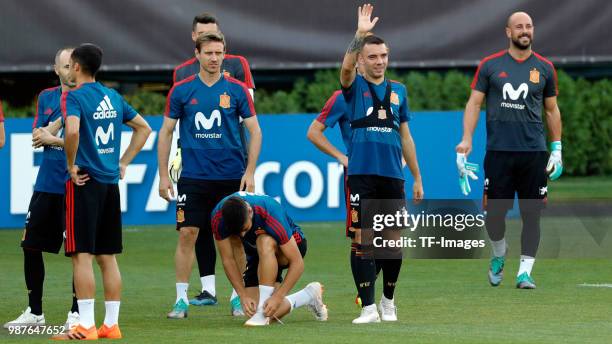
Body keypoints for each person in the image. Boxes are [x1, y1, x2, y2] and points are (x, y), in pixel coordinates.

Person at [158, 31, 262, 319]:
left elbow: (255, 131)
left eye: (219, 53)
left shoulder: (237, 90)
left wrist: (250, 171)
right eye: (209, 53)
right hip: (193, 176)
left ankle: (237, 298)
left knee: (237, 239)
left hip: (231, 176)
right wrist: (163, 176)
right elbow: (166, 132)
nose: (214, 58)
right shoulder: (181, 90)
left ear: (224, 54)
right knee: (187, 234)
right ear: (197, 55)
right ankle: (180, 300)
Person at [455, 12, 562, 289]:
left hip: (534, 154)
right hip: (499, 152)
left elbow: (551, 110)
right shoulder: (490, 66)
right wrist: (467, 138)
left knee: (532, 214)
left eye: (528, 26)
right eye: (519, 27)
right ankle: (499, 253)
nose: (524, 31)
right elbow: (473, 104)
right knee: (494, 217)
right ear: (508, 32)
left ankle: (524, 272)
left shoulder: (546, 68)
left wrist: (557, 148)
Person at [53, 43, 151, 340]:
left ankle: (85, 326)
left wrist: (71, 165)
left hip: (85, 181)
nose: (68, 70)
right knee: (107, 256)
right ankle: (111, 324)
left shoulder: (73, 97)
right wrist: (122, 162)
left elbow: (71, 131)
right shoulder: (113, 96)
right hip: (109, 183)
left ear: (77, 68)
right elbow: (144, 128)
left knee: (81, 255)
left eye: (69, 66)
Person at [340, 4, 424, 324]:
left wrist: (416, 176)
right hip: (361, 174)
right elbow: (345, 70)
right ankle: (368, 308)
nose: (379, 62)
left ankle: (389, 301)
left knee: (391, 242)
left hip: (392, 174)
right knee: (362, 240)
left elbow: (407, 137)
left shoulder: (399, 91)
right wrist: (359, 35)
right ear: (363, 59)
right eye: (373, 56)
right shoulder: (354, 86)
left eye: (384, 56)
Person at [3, 47, 80, 331]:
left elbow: (84, 140)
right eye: (65, 66)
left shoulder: (90, 97)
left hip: (76, 184)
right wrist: (52, 127)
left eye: (75, 65)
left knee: (77, 251)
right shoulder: (47, 97)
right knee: (30, 245)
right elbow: (37, 136)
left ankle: (76, 313)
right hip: (47, 183)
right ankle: (35, 312)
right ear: (56, 69)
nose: (71, 70)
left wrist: (53, 135)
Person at [212, 192, 327, 326]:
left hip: (288, 248)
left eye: (244, 228)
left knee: (264, 240)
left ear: (249, 211)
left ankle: (264, 303)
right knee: (256, 312)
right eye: (237, 232)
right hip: (257, 254)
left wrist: (278, 297)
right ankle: (308, 295)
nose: (243, 235)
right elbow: (228, 260)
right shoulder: (217, 218)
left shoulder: (269, 212)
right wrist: (242, 295)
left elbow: (298, 263)